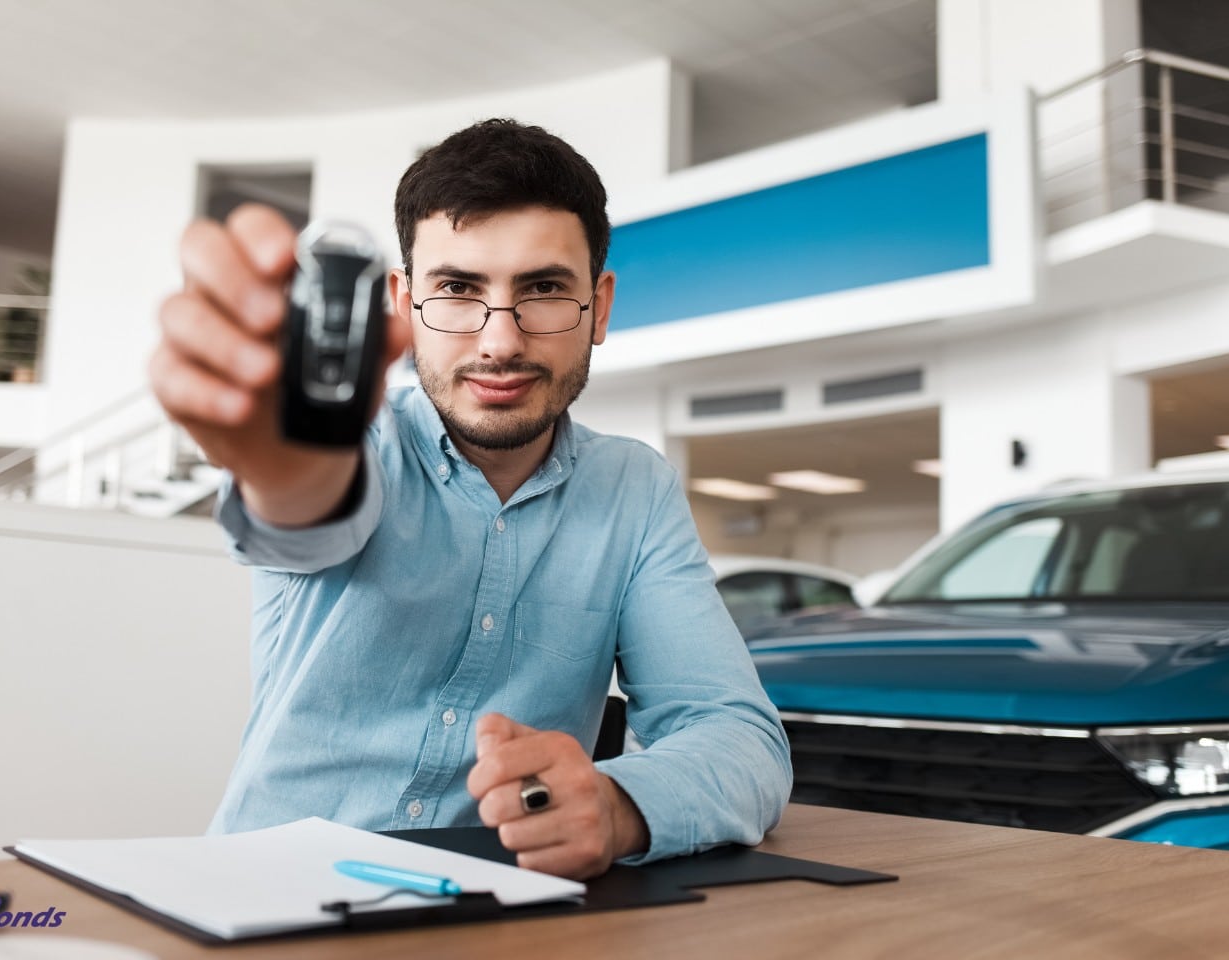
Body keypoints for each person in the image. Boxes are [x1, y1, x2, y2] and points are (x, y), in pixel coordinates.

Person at [149, 118, 790, 880]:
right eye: (457, 289)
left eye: (544, 289)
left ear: (601, 306)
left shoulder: (634, 490)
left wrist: (617, 807)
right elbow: (307, 505)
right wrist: (286, 463)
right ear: (402, 301)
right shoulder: (361, 447)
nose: (500, 341)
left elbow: (737, 734)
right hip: (265, 899)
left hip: (498, 918)